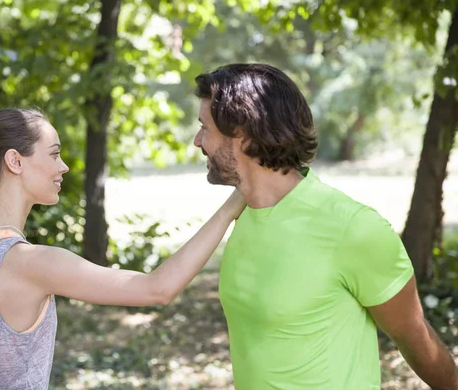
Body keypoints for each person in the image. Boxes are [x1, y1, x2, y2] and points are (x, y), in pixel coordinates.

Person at [0, 108, 246, 389]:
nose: (64, 167)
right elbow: (156, 288)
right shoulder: (36, 263)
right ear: (15, 161)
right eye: (54, 154)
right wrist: (234, 202)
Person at [192, 63, 458, 390]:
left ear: (243, 135)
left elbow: (415, 337)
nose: (197, 140)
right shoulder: (246, 213)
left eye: (204, 128)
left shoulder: (351, 227)